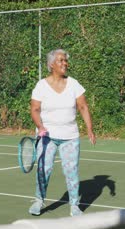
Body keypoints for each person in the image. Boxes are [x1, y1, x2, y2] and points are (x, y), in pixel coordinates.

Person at [29, 49, 96, 216]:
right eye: (61, 60)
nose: (65, 63)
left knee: (71, 171)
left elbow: (83, 106)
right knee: (44, 169)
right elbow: (35, 109)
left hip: (70, 136)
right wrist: (41, 127)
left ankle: (74, 206)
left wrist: (89, 129)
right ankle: (39, 200)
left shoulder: (74, 84)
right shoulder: (41, 86)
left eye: (65, 60)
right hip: (47, 137)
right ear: (52, 64)